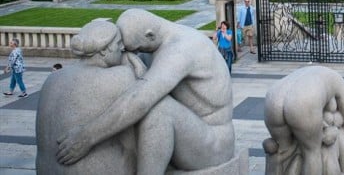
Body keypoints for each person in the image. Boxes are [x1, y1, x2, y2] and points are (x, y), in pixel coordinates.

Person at [56, 9, 236, 173]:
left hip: (213, 145)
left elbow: (141, 99)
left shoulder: (183, 48)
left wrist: (87, 136)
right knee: (130, 108)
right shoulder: (155, 41)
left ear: (149, 35)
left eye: (136, 49)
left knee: (158, 110)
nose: (132, 53)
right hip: (190, 130)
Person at [37, 21, 141, 174]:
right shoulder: (121, 77)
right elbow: (131, 147)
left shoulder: (52, 79)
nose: (122, 49)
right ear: (105, 50)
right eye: (119, 43)